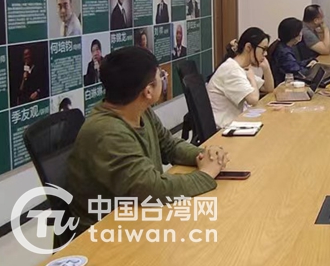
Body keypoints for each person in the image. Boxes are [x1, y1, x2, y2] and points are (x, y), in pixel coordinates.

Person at [67, 47, 226, 234]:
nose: (164, 78)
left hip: (138, 216)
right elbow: (152, 189)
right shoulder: (107, 132)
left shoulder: (140, 110)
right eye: (161, 75)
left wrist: (205, 155)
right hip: (107, 234)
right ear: (148, 91)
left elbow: (169, 145)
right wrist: (205, 175)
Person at [207, 28, 275, 128]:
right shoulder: (232, 70)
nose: (265, 54)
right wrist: (252, 78)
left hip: (235, 121)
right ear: (248, 47)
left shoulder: (240, 67)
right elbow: (253, 99)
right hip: (224, 127)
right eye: (263, 49)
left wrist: (266, 68)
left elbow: (268, 88)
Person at [267, 18, 317, 85]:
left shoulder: (283, 46)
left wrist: (309, 61)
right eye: (300, 32)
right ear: (295, 35)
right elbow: (298, 73)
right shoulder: (284, 53)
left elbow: (295, 63)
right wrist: (311, 68)